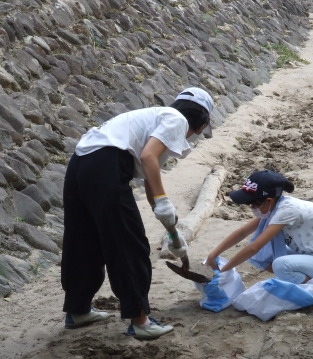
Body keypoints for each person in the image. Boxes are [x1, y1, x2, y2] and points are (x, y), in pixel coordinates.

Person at [61, 87, 214, 340]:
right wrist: (165, 203)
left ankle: (77, 310)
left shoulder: (156, 119)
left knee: (84, 241)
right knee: (129, 245)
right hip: (105, 165)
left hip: (80, 164)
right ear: (200, 123)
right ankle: (140, 321)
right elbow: (147, 157)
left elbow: (150, 182)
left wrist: (173, 232)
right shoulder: (177, 120)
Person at [205, 170, 313, 285]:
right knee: (262, 255)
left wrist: (224, 271)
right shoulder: (275, 208)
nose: (252, 208)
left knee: (280, 265)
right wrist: (214, 254)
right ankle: (297, 281)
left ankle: (312, 287)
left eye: (254, 204)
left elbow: (253, 247)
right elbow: (243, 232)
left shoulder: (286, 211)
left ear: (268, 201)